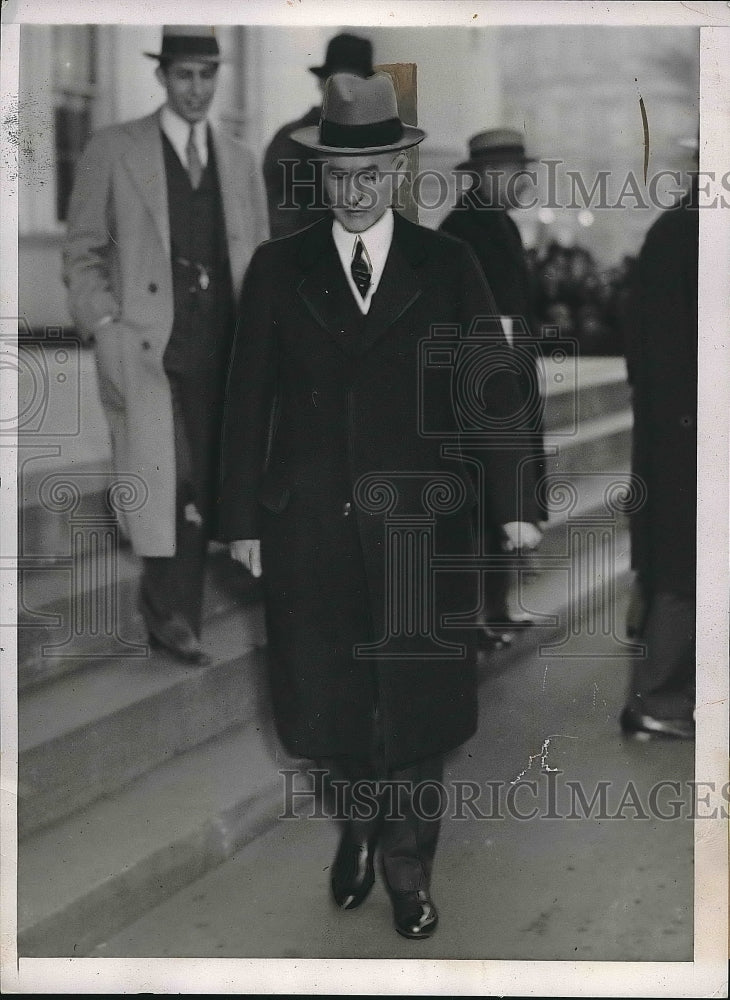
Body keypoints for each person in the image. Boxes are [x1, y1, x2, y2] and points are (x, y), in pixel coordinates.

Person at [219, 72, 540, 940]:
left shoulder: (449, 263)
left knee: (414, 705)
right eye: (337, 175)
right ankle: (356, 820)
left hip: (418, 528)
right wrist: (244, 518)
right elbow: (247, 400)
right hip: (311, 528)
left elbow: (491, 389)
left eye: (371, 174)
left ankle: (408, 866)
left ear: (400, 171)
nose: (354, 193)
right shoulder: (278, 267)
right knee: (328, 703)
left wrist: (513, 501)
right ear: (318, 175)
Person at [63, 25, 268, 664]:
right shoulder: (113, 149)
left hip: (224, 350)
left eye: (207, 75)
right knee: (164, 480)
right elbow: (83, 249)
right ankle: (171, 616)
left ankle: (182, 608)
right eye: (184, 75)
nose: (197, 89)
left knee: (208, 479)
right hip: (149, 352)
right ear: (162, 77)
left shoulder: (238, 158)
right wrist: (104, 325)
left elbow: (257, 254)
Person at [441, 129, 546, 649]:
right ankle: (477, 615)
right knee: (484, 497)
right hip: (481, 382)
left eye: (520, 170)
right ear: (483, 175)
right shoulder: (463, 228)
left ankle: (497, 608)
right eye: (511, 171)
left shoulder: (499, 223)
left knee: (504, 490)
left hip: (510, 374)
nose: (521, 180)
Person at [620, 174, 698, 740]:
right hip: (686, 432)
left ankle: (664, 695)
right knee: (681, 570)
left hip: (679, 428)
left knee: (677, 567)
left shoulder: (679, 227)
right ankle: (657, 700)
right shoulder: (686, 231)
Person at [262, 32, 374, 239]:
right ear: (322, 84)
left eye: (356, 85)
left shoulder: (376, 145)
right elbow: (276, 220)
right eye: (339, 84)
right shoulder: (292, 140)